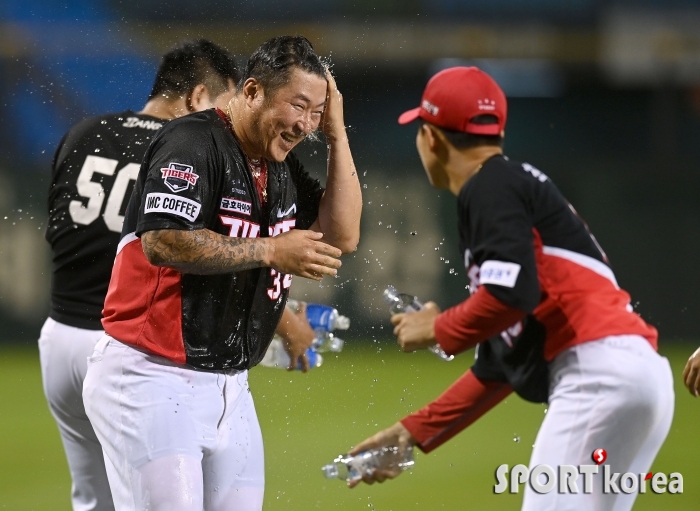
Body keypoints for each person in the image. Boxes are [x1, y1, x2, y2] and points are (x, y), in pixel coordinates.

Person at [348, 67, 673, 511]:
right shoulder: (510, 185)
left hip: (596, 374)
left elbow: (509, 296)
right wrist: (412, 433)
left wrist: (437, 327)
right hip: (639, 377)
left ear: (432, 139)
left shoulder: (490, 186)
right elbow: (501, 362)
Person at [83, 35, 361, 511]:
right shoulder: (192, 140)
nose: (305, 124)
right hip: (149, 374)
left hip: (230, 384)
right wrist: (271, 250)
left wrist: (337, 134)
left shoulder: (278, 164)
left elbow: (343, 236)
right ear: (252, 91)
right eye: (297, 105)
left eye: (316, 111)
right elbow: (162, 240)